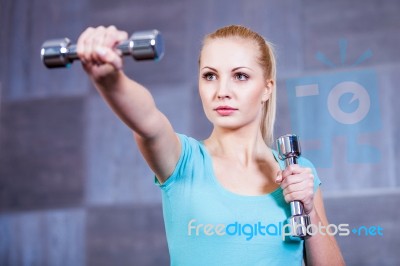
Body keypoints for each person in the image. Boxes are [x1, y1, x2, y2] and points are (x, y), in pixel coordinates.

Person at [76, 24, 344, 265]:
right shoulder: (183, 162)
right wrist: (110, 80)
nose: (222, 91)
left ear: (267, 88)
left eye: (240, 76)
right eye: (210, 76)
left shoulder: (298, 171)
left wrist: (310, 212)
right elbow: (147, 121)